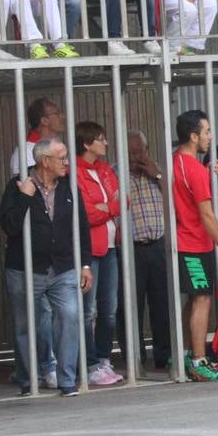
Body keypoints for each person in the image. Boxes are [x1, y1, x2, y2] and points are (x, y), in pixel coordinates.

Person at [3, 138, 92, 397]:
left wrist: (85, 264)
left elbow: (81, 226)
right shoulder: (18, 185)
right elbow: (9, 226)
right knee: (25, 325)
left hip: (62, 267)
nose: (67, 162)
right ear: (44, 161)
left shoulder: (67, 186)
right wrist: (24, 197)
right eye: (61, 157)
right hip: (25, 268)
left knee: (70, 316)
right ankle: (28, 379)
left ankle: (67, 379)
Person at [171, 109, 218, 382]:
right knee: (202, 299)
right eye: (207, 132)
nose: (211, 137)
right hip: (193, 243)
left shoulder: (175, 162)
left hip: (184, 241)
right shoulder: (194, 170)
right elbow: (207, 214)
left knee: (194, 298)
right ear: (193, 136)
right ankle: (199, 360)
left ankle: (185, 353)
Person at [74, 121, 124, 387]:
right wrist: (109, 207)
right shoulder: (76, 171)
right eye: (101, 139)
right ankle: (90, 362)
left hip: (111, 246)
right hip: (90, 250)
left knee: (109, 310)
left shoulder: (104, 169)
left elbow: (123, 200)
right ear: (86, 143)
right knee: (88, 310)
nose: (105, 143)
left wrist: (106, 206)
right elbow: (86, 214)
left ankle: (104, 358)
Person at [125, 129, 171, 371]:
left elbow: (175, 200)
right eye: (132, 152)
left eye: (140, 150)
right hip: (131, 248)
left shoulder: (158, 171)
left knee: (162, 303)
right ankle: (135, 359)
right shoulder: (116, 174)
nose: (137, 157)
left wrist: (159, 175)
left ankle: (164, 355)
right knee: (131, 305)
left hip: (158, 245)